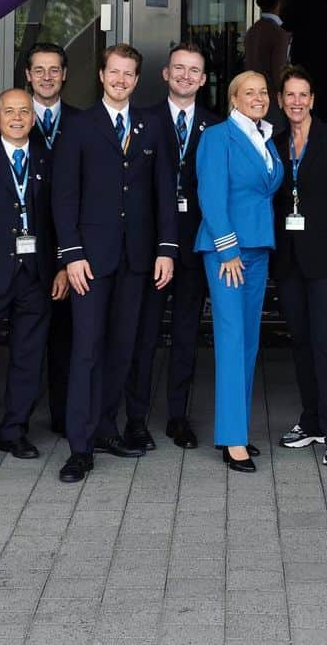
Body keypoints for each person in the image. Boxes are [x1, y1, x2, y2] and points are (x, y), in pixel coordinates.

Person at [52, 44, 178, 484]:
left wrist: (167, 249)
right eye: (114, 72)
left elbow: (165, 192)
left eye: (129, 74)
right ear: (101, 75)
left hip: (140, 259)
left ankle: (106, 429)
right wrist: (71, 255)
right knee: (86, 352)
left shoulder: (154, 125)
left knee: (123, 351)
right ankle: (79, 449)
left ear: (137, 79)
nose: (121, 80)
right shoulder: (79, 126)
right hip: (90, 260)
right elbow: (63, 196)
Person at [0, 89, 67, 464]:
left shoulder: (47, 159)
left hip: (36, 275)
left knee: (28, 357)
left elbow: (57, 220)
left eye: (24, 111)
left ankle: (13, 431)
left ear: (33, 118)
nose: (18, 117)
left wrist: (61, 267)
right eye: (10, 111)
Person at [123, 43, 218, 451]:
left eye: (194, 70)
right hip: (149, 248)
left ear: (202, 78)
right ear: (165, 73)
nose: (185, 76)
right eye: (178, 68)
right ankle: (135, 419)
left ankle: (178, 417)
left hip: (195, 246)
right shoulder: (140, 121)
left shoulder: (216, 127)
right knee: (143, 336)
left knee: (184, 336)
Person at [273, 65, 327, 467]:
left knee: (324, 342)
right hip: (289, 259)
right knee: (301, 342)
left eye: (303, 95)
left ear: (313, 99)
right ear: (280, 100)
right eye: (289, 95)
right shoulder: (273, 143)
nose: (296, 102)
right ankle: (311, 420)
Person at [195, 71, 285, 472]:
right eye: (249, 92)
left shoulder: (265, 136)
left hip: (258, 248)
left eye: (263, 92)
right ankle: (232, 439)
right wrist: (227, 249)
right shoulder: (218, 137)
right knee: (231, 341)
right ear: (233, 98)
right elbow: (210, 194)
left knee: (248, 342)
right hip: (226, 251)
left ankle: (239, 430)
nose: (258, 97)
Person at [23, 41, 82, 435]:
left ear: (65, 75)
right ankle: (17, 422)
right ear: (28, 75)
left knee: (66, 338)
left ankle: (63, 417)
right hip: (22, 248)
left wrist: (67, 257)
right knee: (24, 343)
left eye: (54, 70)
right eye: (39, 70)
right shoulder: (11, 117)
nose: (47, 77)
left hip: (66, 246)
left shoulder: (84, 122)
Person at [243, 0, 290, 132]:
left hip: (251, 99)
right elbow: (279, 74)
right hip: (272, 103)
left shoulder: (252, 31)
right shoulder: (278, 33)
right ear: (280, 2)